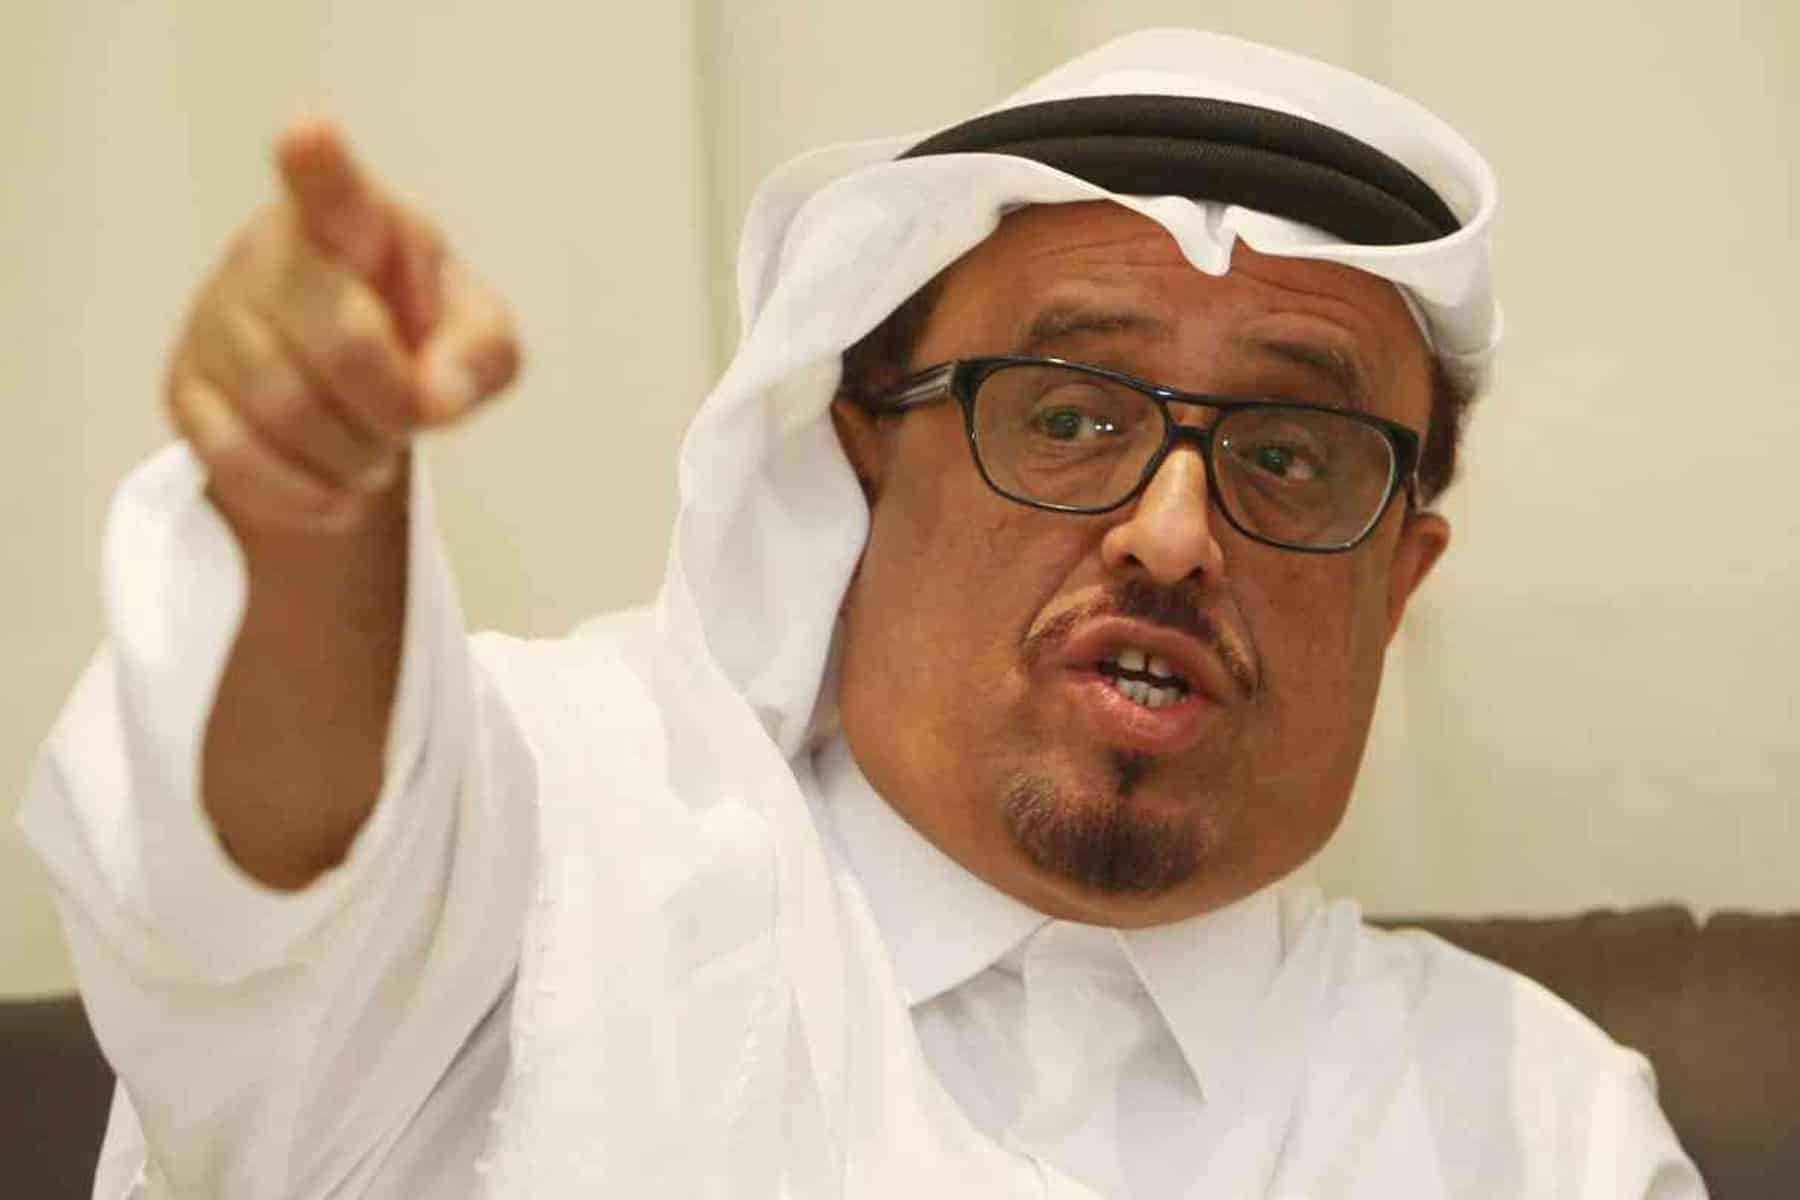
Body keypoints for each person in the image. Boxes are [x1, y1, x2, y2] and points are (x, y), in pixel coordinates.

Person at [21, 28, 1704, 1199]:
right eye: (1069, 415)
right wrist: (307, 514)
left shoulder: (1540, 1126)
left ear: (1400, 580)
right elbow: (274, 893)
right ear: (860, 462)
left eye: (1288, 454)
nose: (1174, 532)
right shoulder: (548, 851)